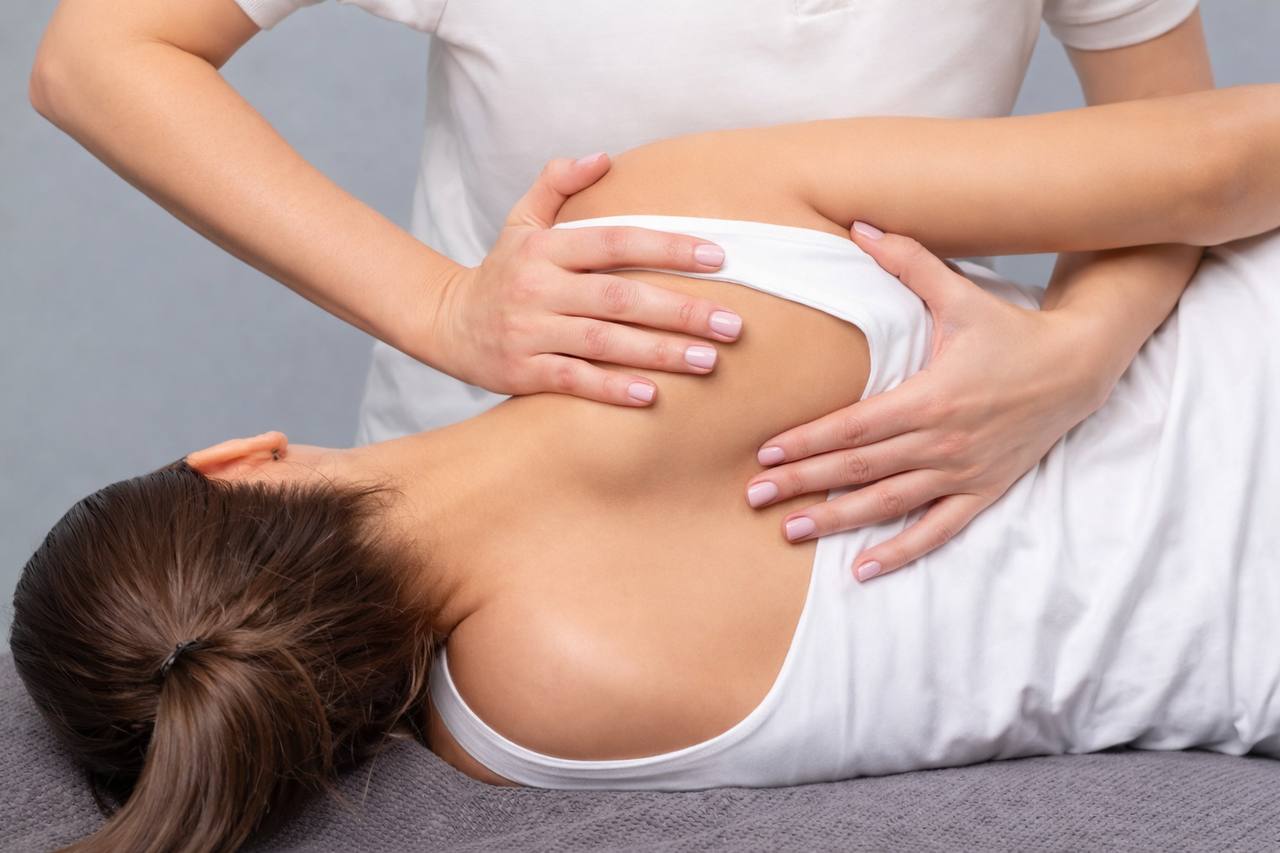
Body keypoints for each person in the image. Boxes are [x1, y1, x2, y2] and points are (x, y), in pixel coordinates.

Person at [13, 88, 1280, 853]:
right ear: (236, 462)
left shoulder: (528, 736)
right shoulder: (660, 233)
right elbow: (1236, 153)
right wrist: (1073, 353)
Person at [29, 0, 1215, 574]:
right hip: (499, 533)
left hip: (880, 513)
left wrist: (1074, 358)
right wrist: (440, 307)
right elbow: (98, 54)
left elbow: (1179, 151)